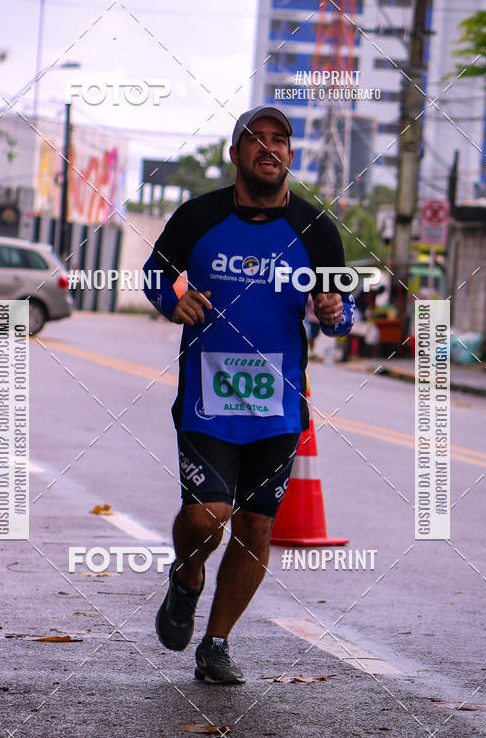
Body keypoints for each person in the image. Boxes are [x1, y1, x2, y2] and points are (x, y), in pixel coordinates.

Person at [143, 106, 354, 684]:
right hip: (207, 400)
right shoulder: (199, 217)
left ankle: (215, 643)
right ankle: (186, 578)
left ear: (291, 155)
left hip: (278, 407)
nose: (268, 148)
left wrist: (334, 314)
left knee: (256, 528)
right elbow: (153, 275)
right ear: (235, 153)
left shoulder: (317, 229)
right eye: (255, 139)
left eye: (279, 140)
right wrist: (172, 301)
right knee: (208, 516)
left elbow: (342, 313)